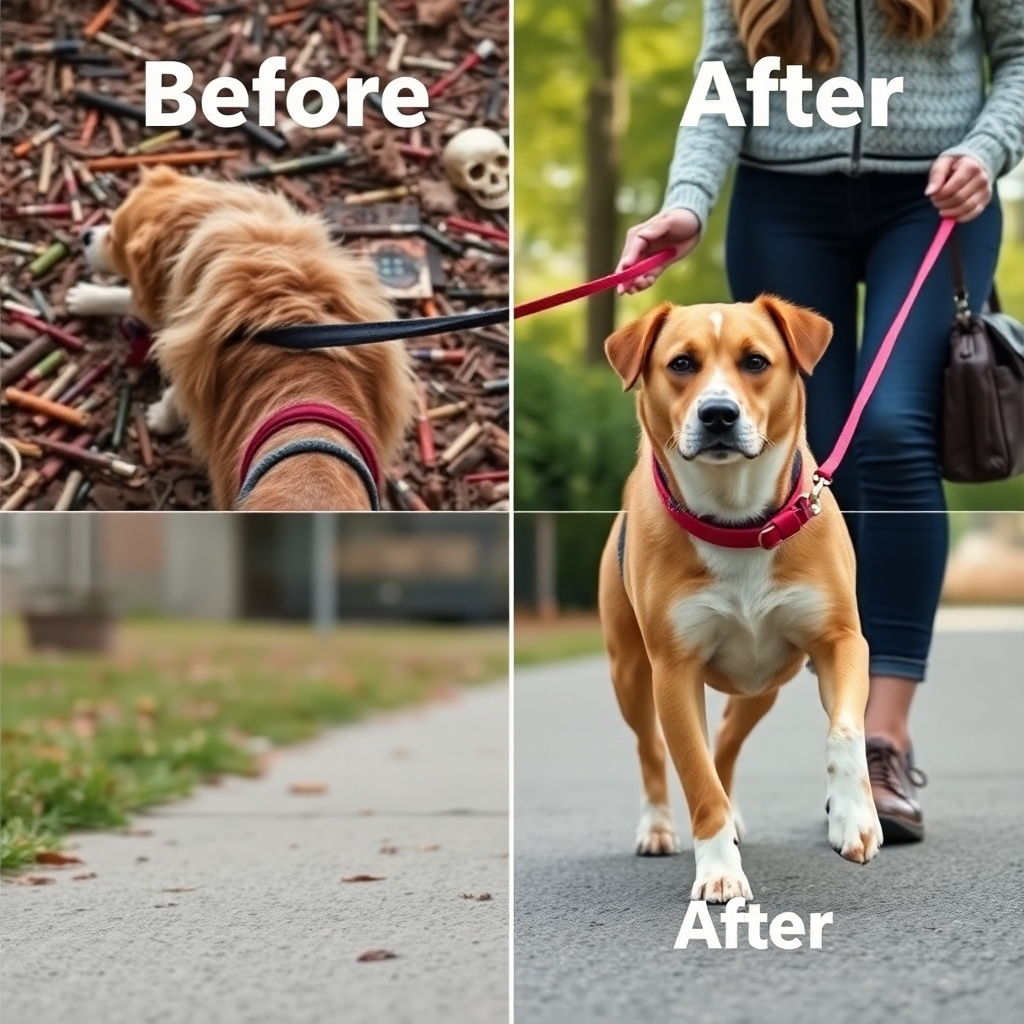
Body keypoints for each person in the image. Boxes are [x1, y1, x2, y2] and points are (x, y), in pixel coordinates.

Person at [616, 0, 1024, 842]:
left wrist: (986, 153)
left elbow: (1019, 54)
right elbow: (722, 77)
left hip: (934, 195)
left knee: (890, 430)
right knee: (803, 455)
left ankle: (881, 736)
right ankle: (796, 642)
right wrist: (687, 203)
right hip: (783, 201)